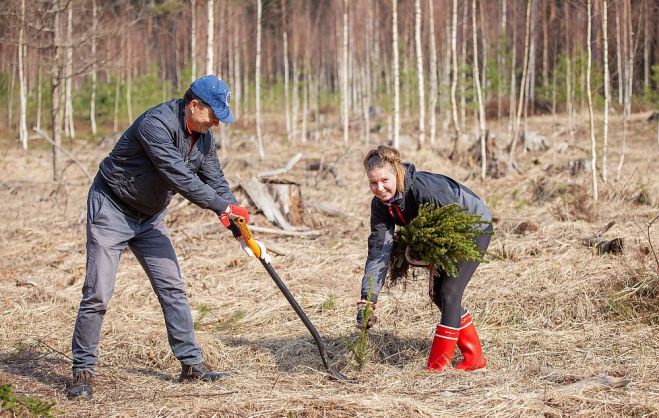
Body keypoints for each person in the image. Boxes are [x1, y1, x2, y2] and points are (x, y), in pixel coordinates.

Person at [67, 75, 268, 400]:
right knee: (98, 293)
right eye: (213, 113)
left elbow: (214, 179)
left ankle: (190, 365)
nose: (217, 121)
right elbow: (180, 176)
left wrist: (236, 224)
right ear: (194, 104)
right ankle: (82, 371)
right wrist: (221, 207)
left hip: (148, 219)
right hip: (112, 209)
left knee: (172, 286)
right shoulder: (155, 124)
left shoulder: (202, 138)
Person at [356, 145, 493, 372]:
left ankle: (436, 368)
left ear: (397, 172)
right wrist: (368, 298)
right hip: (447, 232)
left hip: (471, 226)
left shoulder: (424, 191)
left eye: (384, 180)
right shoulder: (380, 205)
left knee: (449, 292)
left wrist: (426, 249)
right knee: (438, 295)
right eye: (373, 183)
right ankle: (475, 359)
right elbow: (380, 251)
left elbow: (453, 224)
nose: (379, 188)